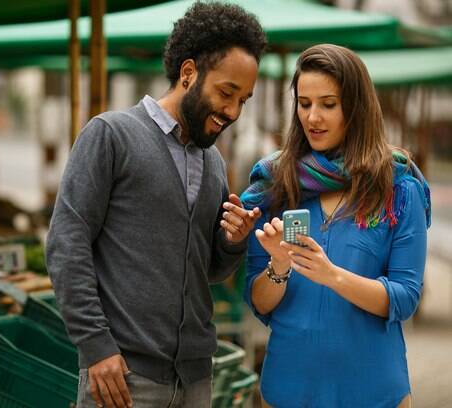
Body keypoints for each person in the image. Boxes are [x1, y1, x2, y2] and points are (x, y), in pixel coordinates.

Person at [46, 2, 267, 407]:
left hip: (196, 379)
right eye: (226, 93)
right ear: (188, 73)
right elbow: (66, 244)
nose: (233, 112)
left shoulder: (213, 162)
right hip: (123, 379)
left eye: (244, 100)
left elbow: (210, 270)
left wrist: (232, 241)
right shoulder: (111, 136)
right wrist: (96, 346)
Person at [241, 44, 431, 408]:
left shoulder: (398, 189)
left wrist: (332, 276)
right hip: (287, 393)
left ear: (356, 108)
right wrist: (278, 267)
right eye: (304, 103)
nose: (313, 117)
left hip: (375, 394)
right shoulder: (275, 187)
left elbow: (405, 298)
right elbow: (259, 302)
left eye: (328, 104)